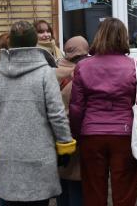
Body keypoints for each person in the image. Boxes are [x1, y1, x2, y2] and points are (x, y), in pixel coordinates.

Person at [0, 21, 75, 206]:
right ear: (33, 41)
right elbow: (57, 114)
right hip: (40, 157)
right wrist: (65, 144)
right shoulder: (45, 73)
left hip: (9, 157)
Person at [70, 18, 137, 206]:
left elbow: (76, 107)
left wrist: (76, 133)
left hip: (91, 134)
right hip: (124, 135)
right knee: (125, 190)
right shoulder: (135, 66)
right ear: (123, 38)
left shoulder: (83, 66)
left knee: (93, 190)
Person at [55, 36, 90, 206]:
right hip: (75, 134)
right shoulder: (81, 73)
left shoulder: (54, 70)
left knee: (62, 183)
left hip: (56, 136)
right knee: (77, 183)